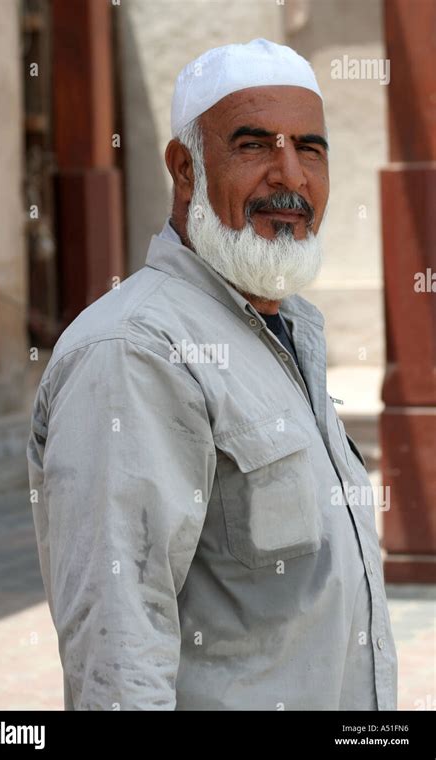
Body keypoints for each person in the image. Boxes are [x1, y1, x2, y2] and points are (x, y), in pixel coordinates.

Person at [27, 38, 398, 711]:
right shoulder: (135, 351)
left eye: (309, 149)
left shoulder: (288, 332)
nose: (290, 177)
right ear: (186, 168)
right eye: (254, 146)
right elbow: (117, 651)